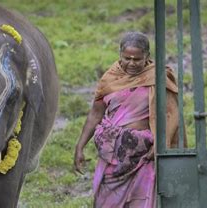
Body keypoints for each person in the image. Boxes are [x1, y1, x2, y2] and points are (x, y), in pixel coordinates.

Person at [74, 31, 183, 208]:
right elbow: (96, 113)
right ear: (120, 55)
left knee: (141, 201)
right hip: (111, 157)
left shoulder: (158, 77)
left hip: (143, 157)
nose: (131, 63)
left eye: (137, 59)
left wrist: (161, 143)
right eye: (127, 58)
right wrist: (80, 145)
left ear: (147, 56)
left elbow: (172, 114)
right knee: (105, 201)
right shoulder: (110, 78)